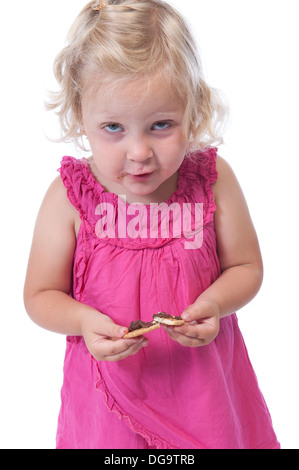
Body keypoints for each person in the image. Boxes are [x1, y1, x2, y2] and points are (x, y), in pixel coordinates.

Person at [23, 0, 280, 449]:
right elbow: (40, 295)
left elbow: (246, 267)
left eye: (161, 125)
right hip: (108, 402)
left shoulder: (213, 183)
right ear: (80, 116)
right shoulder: (69, 197)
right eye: (113, 128)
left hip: (203, 394)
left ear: (193, 110)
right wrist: (82, 320)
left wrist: (216, 304)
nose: (139, 152)